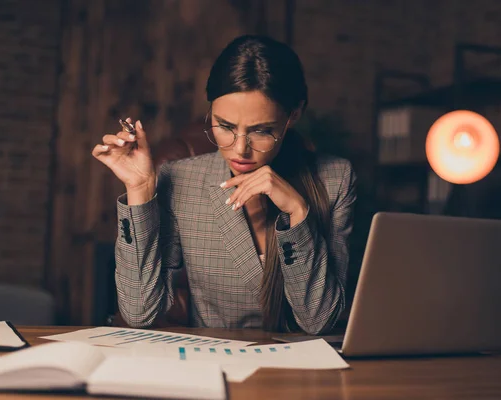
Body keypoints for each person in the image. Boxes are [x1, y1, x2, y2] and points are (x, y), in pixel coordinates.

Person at [92, 35, 357, 334]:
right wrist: (139, 189)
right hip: (216, 365)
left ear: (293, 115)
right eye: (225, 127)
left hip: (305, 372)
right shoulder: (182, 180)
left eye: (261, 130)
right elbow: (140, 312)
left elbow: (319, 320)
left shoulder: (335, 178)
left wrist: (298, 211)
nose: (240, 149)